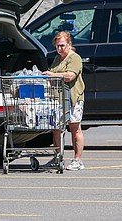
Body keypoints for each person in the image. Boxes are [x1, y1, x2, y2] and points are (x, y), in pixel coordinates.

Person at [42, 31, 85, 171]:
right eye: (57, 46)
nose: (60, 49)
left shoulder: (75, 58)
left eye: (62, 46)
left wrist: (53, 75)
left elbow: (70, 76)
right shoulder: (57, 59)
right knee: (57, 129)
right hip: (58, 99)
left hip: (73, 98)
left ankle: (78, 160)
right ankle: (57, 157)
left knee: (75, 128)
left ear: (69, 44)